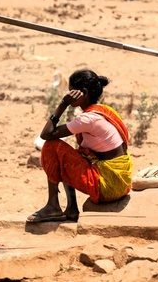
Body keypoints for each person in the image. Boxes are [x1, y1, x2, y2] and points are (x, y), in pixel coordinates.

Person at [27, 69, 133, 223]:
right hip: (121, 182)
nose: (68, 95)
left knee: (51, 147)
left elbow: (46, 134)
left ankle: (53, 205)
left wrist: (63, 104)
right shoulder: (104, 111)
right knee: (72, 154)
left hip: (108, 187)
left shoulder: (88, 119)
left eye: (71, 92)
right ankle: (71, 209)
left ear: (83, 92)